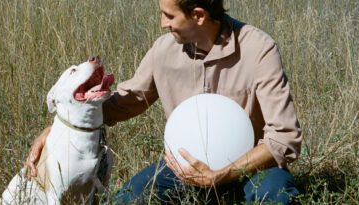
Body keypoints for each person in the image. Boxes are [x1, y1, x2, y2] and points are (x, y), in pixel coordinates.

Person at [27, 0, 302, 204]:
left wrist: (221, 175)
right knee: (129, 200)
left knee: (277, 197)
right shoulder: (163, 51)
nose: (162, 23)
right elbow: (127, 101)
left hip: (250, 170)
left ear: (198, 15)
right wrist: (63, 127)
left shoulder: (258, 49)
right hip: (182, 170)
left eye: (169, 15)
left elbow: (284, 138)